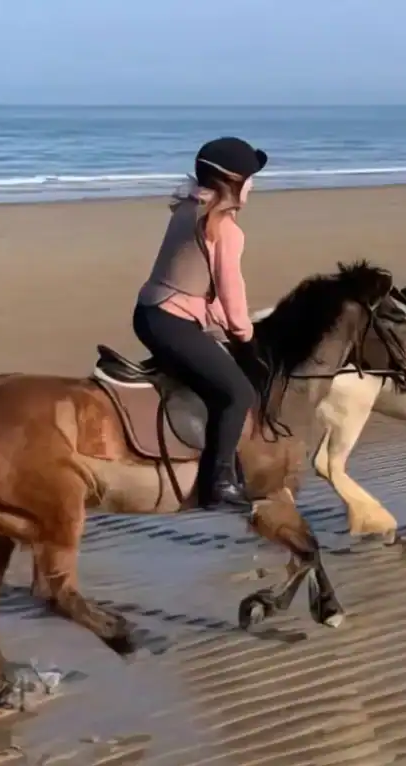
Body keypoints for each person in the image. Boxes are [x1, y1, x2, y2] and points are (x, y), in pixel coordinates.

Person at [132, 137, 267, 508]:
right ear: (234, 182)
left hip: (151, 313)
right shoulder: (224, 229)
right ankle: (218, 484)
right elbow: (230, 293)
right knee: (238, 393)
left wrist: (223, 324)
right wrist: (246, 335)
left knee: (217, 375)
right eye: (251, 178)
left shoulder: (188, 208)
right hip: (170, 323)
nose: (255, 185)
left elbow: (198, 288)